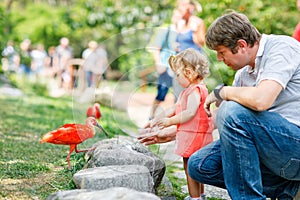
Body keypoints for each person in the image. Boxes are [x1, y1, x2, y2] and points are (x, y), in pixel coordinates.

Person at [140, 11, 300, 199]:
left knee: (230, 110)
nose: (219, 59)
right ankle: (286, 188)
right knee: (198, 164)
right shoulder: (244, 73)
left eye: (221, 52)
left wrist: (222, 92)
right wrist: (173, 132)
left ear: (241, 45)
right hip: (272, 150)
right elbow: (213, 120)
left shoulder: (283, 48)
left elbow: (261, 100)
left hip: (293, 146)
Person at [140, 48, 213, 200]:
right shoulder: (190, 90)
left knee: (189, 167)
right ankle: (201, 195)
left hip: (194, 136)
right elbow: (175, 108)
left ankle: (195, 198)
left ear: (189, 72)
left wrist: (169, 122)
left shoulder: (195, 90)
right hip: (194, 134)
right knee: (195, 166)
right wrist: (156, 119)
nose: (176, 79)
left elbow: (190, 112)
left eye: (178, 75)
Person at [148, 9, 183, 120]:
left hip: (179, 69)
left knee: (178, 95)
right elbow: (156, 48)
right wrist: (159, 64)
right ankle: (151, 116)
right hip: (166, 66)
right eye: (177, 16)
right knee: (161, 93)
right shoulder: (167, 30)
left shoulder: (184, 33)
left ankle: (174, 118)